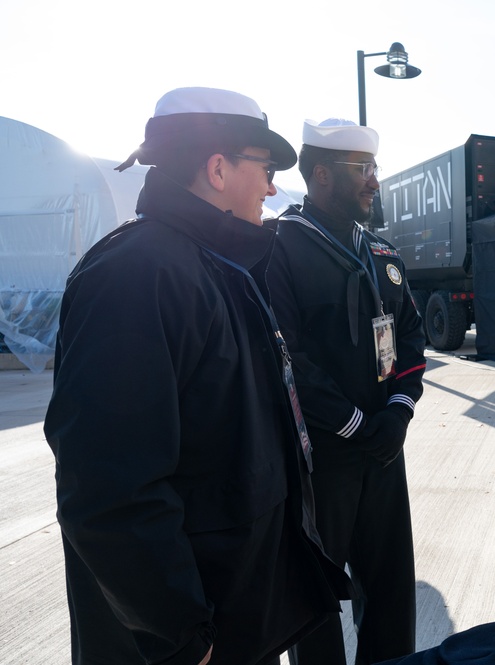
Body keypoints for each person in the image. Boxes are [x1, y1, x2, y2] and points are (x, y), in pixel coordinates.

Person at [44, 88, 351, 665]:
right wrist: (183, 633)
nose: (271, 188)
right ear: (217, 169)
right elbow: (109, 487)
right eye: (263, 169)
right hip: (185, 642)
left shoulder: (216, 267)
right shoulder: (137, 275)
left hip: (227, 619)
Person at [266, 118, 427, 665]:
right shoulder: (280, 249)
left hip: (383, 452)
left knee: (390, 593)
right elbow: (288, 359)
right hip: (322, 460)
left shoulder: (381, 253)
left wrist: (398, 415)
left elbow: (411, 339)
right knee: (315, 605)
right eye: (362, 170)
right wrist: (358, 424)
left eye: (374, 168)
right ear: (320, 175)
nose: (374, 181)